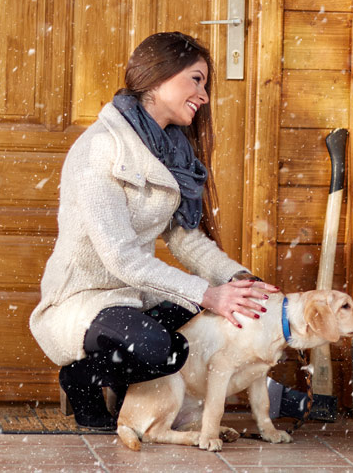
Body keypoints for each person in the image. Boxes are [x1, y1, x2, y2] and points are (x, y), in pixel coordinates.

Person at [30, 31, 278, 430]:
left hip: (133, 296)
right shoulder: (99, 150)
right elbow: (119, 256)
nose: (205, 95)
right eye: (196, 79)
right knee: (160, 349)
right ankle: (82, 378)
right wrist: (209, 294)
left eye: (206, 83)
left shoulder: (169, 152)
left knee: (205, 317)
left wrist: (237, 281)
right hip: (84, 299)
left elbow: (185, 239)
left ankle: (136, 398)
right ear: (158, 77)